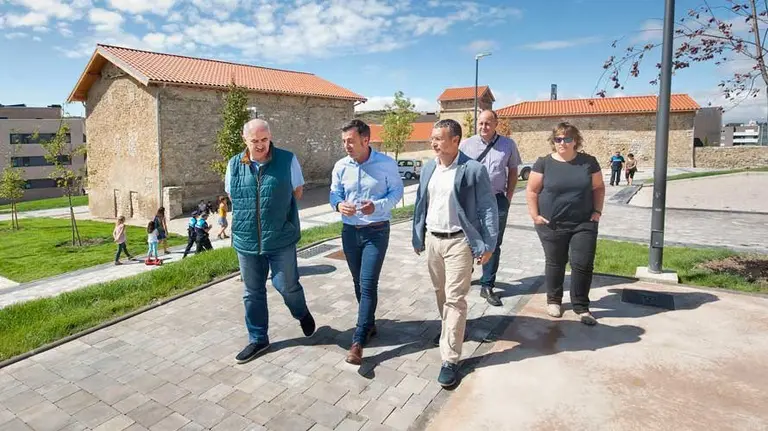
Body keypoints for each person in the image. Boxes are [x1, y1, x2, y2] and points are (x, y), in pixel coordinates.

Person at [412, 119, 498, 388]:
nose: (433, 143)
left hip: (459, 243)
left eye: (439, 138)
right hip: (434, 241)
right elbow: (420, 203)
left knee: (455, 299)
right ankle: (449, 330)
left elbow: (486, 207)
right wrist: (417, 235)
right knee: (441, 293)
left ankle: (450, 358)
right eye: (432, 138)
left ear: (455, 141)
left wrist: (488, 243)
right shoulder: (429, 168)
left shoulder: (472, 170)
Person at [225, 118, 314, 364]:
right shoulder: (233, 164)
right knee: (252, 293)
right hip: (246, 241)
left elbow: (297, 191)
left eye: (265, 139)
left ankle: (301, 312)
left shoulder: (287, 160)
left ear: (270, 137)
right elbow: (234, 195)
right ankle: (258, 339)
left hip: (280, 238)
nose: (261, 145)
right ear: (245, 140)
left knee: (287, 285)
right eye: (255, 141)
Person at [330, 119, 404, 366]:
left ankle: (358, 339)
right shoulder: (341, 166)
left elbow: (397, 193)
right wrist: (339, 204)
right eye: (343, 142)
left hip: (377, 231)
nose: (346, 146)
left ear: (365, 140)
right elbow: (334, 193)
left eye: (350, 141)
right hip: (350, 232)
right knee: (357, 282)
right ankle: (369, 324)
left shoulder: (386, 164)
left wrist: (378, 206)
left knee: (368, 282)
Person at [525, 122, 605, 326]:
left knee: (583, 263)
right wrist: (535, 215)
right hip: (552, 223)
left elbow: (598, 188)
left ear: (575, 141)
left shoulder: (588, 162)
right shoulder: (543, 163)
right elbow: (532, 190)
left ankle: (581, 306)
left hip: (583, 222)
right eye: (558, 139)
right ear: (553, 141)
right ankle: (554, 300)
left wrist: (597, 212)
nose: (562, 142)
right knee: (555, 262)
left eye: (567, 139)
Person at [459, 109, 522, 306]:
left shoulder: (507, 144)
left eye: (488, 123)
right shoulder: (466, 144)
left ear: (496, 124)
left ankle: (487, 285)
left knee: (493, 243)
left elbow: (513, 171)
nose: (483, 127)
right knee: (467, 239)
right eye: (481, 123)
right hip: (471, 199)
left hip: (496, 199)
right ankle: (464, 276)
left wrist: (509, 197)